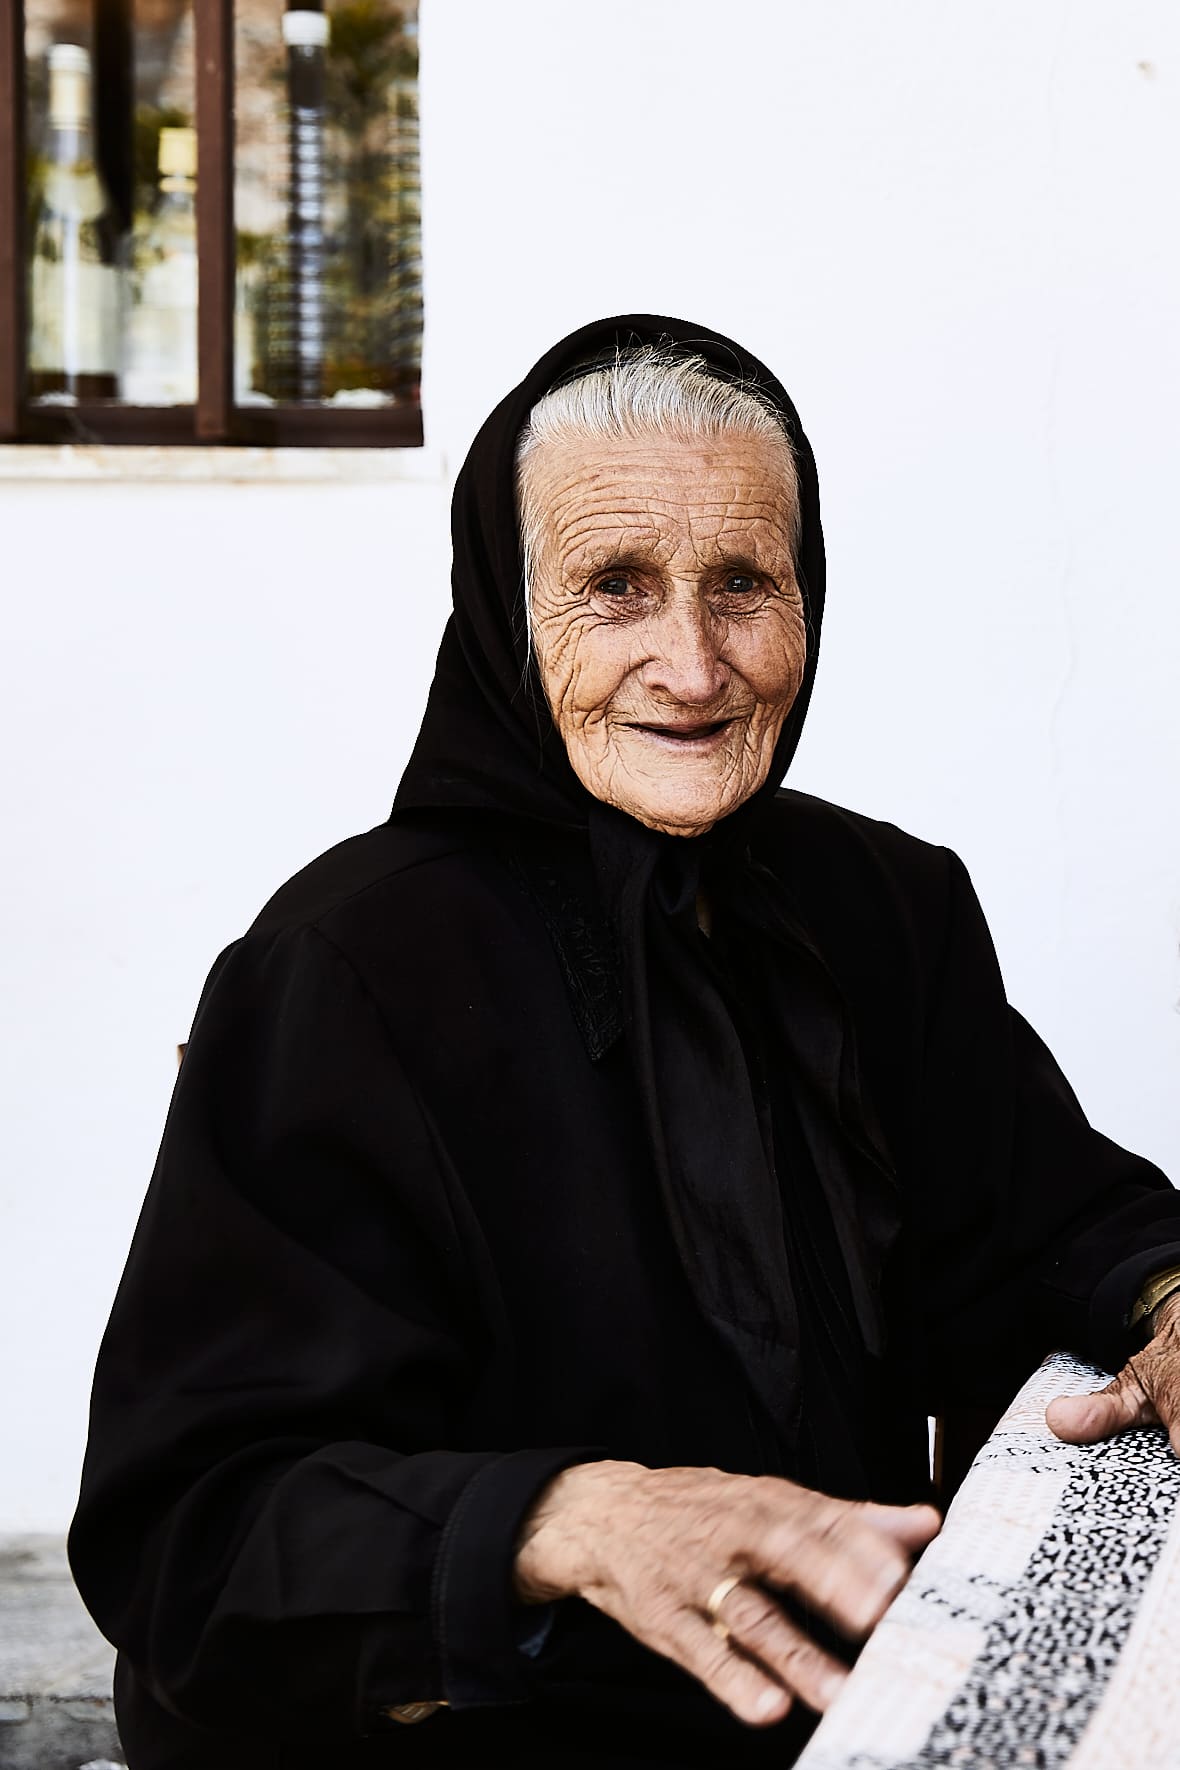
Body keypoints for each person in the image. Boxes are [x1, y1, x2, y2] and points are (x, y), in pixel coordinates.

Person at [69, 315, 1180, 1770]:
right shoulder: (343, 970)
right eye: (615, 586)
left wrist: (1168, 1296)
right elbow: (193, 1529)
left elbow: (1042, 1211)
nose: (694, 663)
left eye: (742, 584)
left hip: (846, 1724)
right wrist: (565, 1522)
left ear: (811, 594)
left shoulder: (885, 907)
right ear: (505, 612)